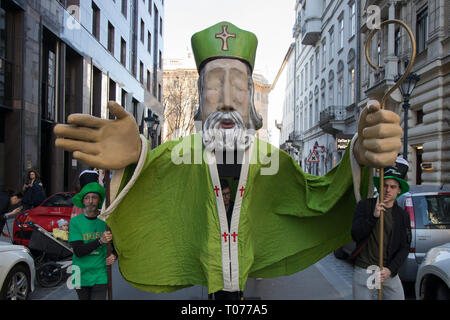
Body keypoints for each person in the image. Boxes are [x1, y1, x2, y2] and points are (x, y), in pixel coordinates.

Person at [54, 21, 403, 296]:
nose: (225, 99)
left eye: (237, 85)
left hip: (244, 271)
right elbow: (152, 184)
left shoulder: (270, 158)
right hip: (208, 272)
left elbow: (318, 194)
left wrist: (359, 152)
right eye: (212, 85)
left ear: (251, 98)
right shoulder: (181, 154)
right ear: (199, 98)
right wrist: (134, 159)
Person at [350, 164, 411, 300]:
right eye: (385, 185)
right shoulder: (365, 206)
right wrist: (373, 216)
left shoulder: (402, 215)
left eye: (393, 187)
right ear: (380, 187)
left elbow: (405, 246)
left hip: (387, 271)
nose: (388, 190)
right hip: (365, 268)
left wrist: (390, 269)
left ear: (398, 190)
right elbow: (355, 234)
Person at [68, 182, 116, 300]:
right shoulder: (75, 222)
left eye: (94, 197)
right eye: (87, 198)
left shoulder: (107, 222)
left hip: (100, 273)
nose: (90, 201)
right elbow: (78, 251)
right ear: (83, 201)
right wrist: (100, 241)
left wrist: (114, 255)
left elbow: (116, 245)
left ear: (99, 201)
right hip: (79, 272)